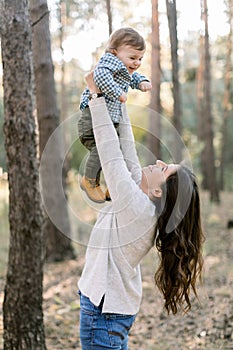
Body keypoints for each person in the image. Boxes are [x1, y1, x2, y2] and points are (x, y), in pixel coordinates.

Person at [77, 72, 205, 350]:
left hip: (103, 313)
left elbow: (112, 156)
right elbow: (126, 149)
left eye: (163, 169)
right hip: (107, 308)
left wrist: (97, 97)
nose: (157, 161)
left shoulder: (136, 208)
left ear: (159, 191)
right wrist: (117, 97)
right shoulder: (142, 202)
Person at [78, 27, 152, 203]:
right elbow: (100, 77)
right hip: (91, 120)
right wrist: (117, 92)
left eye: (140, 58)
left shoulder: (122, 68)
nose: (137, 63)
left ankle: (116, 184)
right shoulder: (108, 63)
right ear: (114, 52)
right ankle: (89, 180)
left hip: (109, 120)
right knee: (101, 150)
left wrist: (141, 81)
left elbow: (131, 77)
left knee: (116, 152)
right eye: (133, 58)